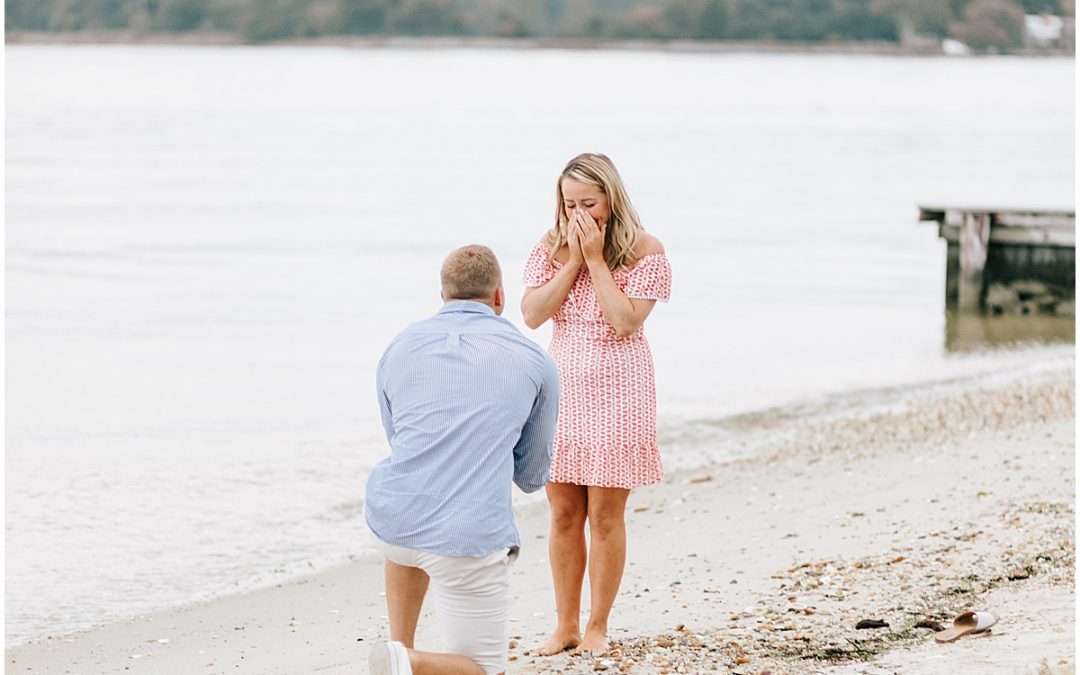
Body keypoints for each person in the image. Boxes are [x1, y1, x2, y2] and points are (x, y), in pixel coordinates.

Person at [365, 244, 560, 675]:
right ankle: (405, 659)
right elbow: (531, 476)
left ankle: (400, 650)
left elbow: (402, 441)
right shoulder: (535, 361)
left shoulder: (398, 347)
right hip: (466, 538)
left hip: (393, 519)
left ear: (443, 294)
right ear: (499, 297)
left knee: (412, 512)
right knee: (484, 668)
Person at [521, 153, 672, 656]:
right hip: (563, 388)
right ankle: (564, 624)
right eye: (570, 203)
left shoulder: (646, 250)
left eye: (590, 202)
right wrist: (571, 260)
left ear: (612, 198)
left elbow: (625, 321)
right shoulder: (550, 246)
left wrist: (597, 261)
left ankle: (597, 625)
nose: (580, 212)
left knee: (605, 514)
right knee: (563, 511)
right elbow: (533, 315)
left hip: (621, 387)